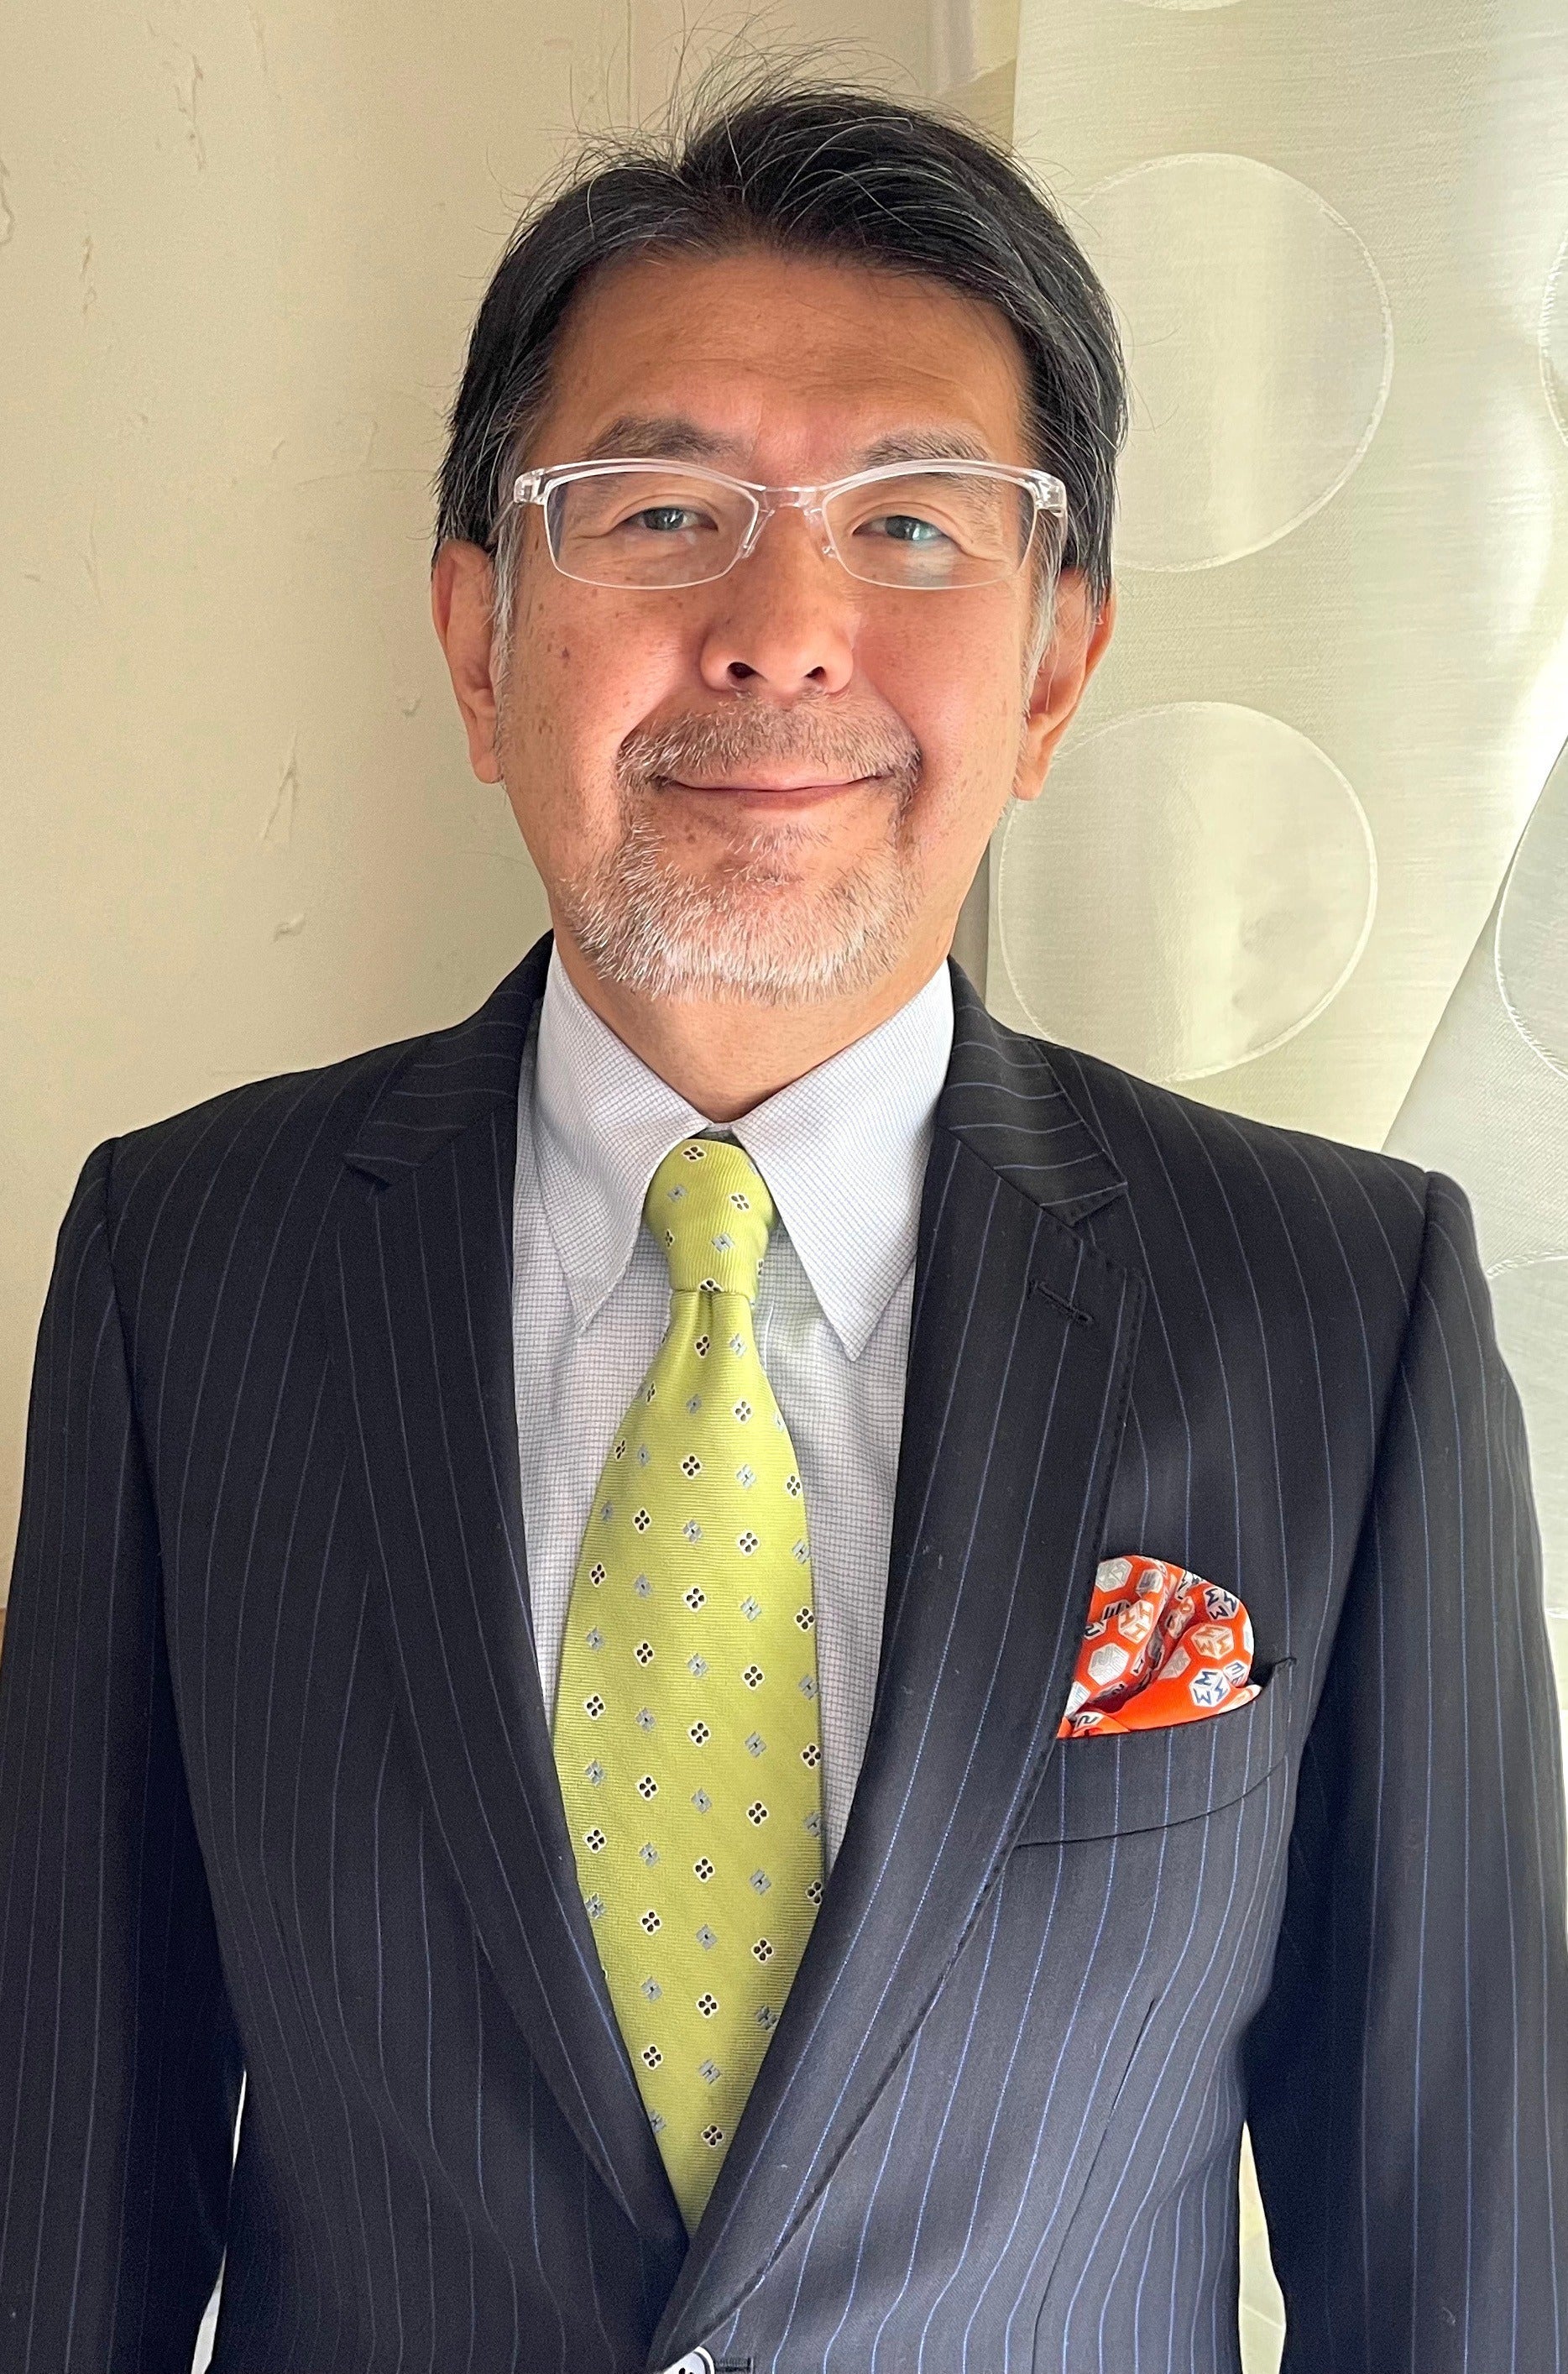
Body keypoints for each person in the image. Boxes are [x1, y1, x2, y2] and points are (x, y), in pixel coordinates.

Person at [1, 72, 1563, 2374]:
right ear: (478, 636)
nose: (783, 629)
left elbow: (1463, 2262)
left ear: (1054, 665)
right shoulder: (187, 1267)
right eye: (660, 512)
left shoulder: (1340, 1308)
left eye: (912, 525)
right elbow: (66, 2196)